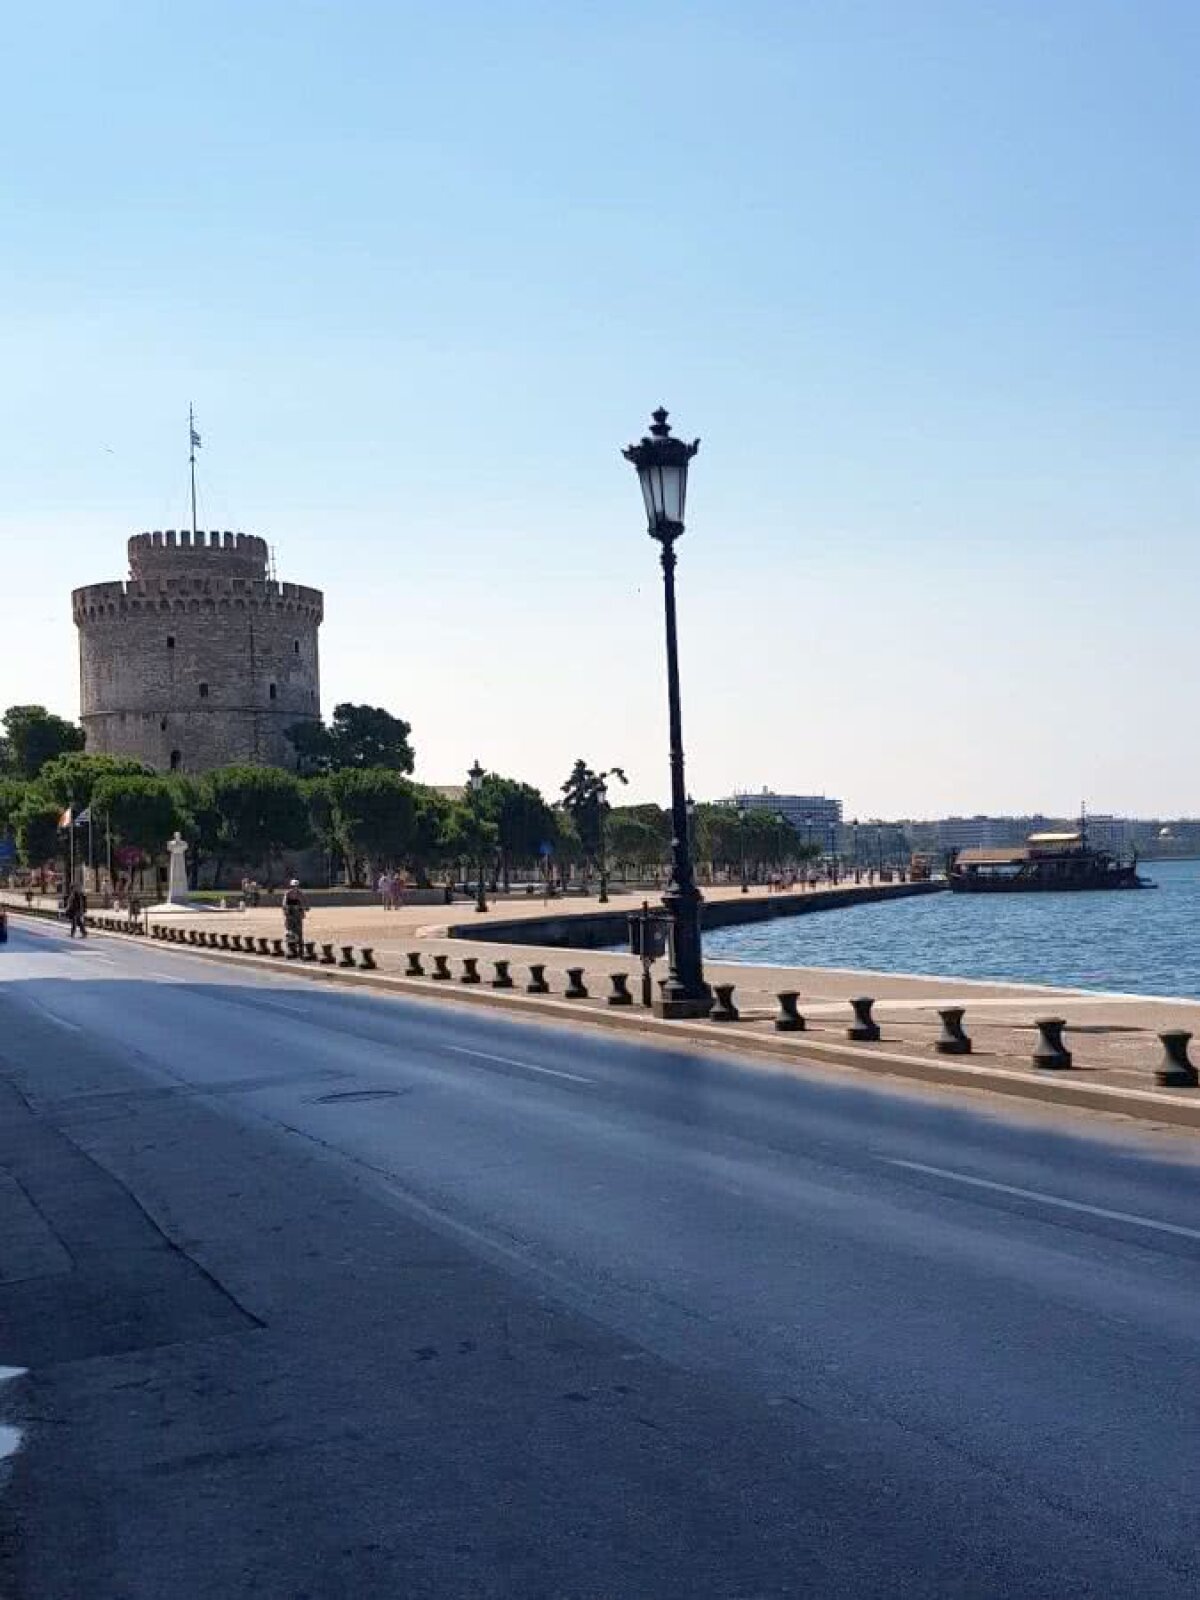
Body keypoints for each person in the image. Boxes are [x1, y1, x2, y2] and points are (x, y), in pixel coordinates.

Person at [282, 878, 308, 956]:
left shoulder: (301, 894)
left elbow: (305, 903)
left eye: (296, 886)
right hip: (290, 916)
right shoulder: (288, 893)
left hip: (298, 916)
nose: (295, 888)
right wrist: (286, 912)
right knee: (290, 932)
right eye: (293, 886)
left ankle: (300, 948)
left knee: (299, 932)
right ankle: (291, 949)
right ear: (291, 886)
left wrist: (305, 908)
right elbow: (284, 904)